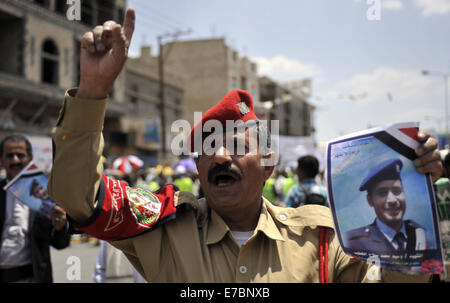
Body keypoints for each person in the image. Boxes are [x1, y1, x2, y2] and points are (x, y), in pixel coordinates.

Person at [48, 8, 442, 282]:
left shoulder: (323, 238)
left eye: (235, 146)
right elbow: (77, 197)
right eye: (206, 147)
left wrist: (415, 189)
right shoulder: (161, 226)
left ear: (269, 163)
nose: (219, 156)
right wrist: (94, 91)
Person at [0, 134, 71, 282]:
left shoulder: (46, 195)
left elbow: (60, 243)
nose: (15, 160)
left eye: (20, 155)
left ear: (30, 157)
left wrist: (61, 227)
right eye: (9, 156)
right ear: (1, 160)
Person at [346, 158, 428, 254]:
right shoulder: (355, 241)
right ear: (370, 201)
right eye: (382, 193)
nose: (392, 200)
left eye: (397, 191)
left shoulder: (420, 233)